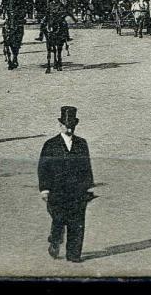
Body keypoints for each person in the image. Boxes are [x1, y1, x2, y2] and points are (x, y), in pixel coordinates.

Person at [37, 107, 96, 263]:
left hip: (77, 191)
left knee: (77, 222)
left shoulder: (82, 144)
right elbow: (43, 168)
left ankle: (74, 254)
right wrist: (44, 189)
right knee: (59, 219)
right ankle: (55, 241)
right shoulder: (50, 145)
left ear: (75, 126)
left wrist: (88, 186)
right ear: (60, 125)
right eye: (66, 125)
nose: (69, 129)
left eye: (72, 126)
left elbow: (86, 166)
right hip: (57, 191)